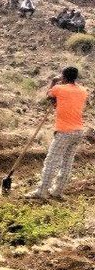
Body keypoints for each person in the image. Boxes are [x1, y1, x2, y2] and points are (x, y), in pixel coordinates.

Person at [28, 67, 88, 200]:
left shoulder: (59, 89)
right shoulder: (83, 91)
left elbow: (48, 96)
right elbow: (63, 103)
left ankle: (42, 192)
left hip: (64, 132)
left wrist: (54, 81)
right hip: (79, 131)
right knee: (67, 162)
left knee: (51, 161)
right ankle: (57, 192)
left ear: (63, 77)